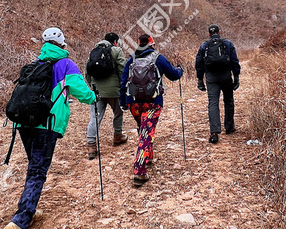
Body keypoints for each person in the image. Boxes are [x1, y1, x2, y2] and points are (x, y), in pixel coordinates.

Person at [2, 26, 96, 229]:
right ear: (62, 44)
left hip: (24, 124)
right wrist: (94, 96)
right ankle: (20, 222)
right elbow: (84, 94)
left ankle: (29, 209)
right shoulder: (66, 64)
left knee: (34, 167)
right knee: (37, 171)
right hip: (47, 125)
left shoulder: (35, 64)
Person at [120, 34, 183, 187]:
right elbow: (173, 75)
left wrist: (123, 102)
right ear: (152, 44)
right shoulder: (158, 58)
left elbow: (123, 82)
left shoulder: (131, 59)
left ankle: (147, 157)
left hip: (133, 103)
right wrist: (180, 70)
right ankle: (139, 171)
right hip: (152, 102)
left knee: (144, 129)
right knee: (146, 134)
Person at [85, 32, 127, 159]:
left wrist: (92, 86)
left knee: (95, 118)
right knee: (118, 113)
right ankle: (118, 136)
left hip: (96, 90)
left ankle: (91, 146)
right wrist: (122, 86)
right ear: (115, 41)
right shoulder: (116, 50)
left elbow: (87, 72)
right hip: (114, 91)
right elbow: (122, 69)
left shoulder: (94, 51)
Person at [195, 24, 240, 144]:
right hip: (226, 76)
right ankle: (229, 127)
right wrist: (236, 77)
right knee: (228, 100)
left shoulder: (204, 45)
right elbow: (235, 61)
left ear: (209, 34)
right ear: (220, 32)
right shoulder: (228, 44)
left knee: (213, 103)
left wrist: (200, 80)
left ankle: (214, 132)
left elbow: (199, 64)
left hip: (211, 78)